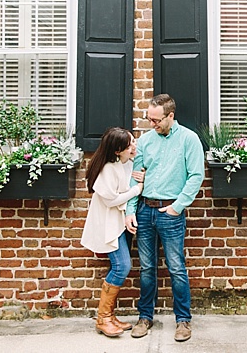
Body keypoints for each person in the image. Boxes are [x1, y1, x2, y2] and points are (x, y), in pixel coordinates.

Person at [125, 94, 204, 342]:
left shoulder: (189, 140)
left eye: (157, 120)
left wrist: (177, 207)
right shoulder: (145, 141)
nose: (152, 124)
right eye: (149, 119)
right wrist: (130, 210)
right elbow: (134, 176)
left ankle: (183, 321)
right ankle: (145, 317)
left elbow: (195, 176)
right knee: (147, 268)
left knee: (176, 268)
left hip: (170, 212)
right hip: (145, 211)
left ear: (170, 116)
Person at [81, 127, 145, 337]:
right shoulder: (108, 168)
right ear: (118, 150)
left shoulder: (124, 163)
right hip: (110, 223)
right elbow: (110, 199)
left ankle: (109, 316)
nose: (134, 146)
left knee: (120, 266)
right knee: (122, 266)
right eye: (130, 145)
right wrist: (137, 189)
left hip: (120, 222)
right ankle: (103, 318)